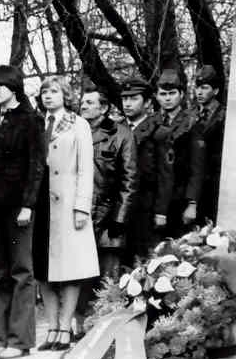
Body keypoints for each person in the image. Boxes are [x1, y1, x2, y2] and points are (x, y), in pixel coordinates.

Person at [0, 65, 45, 357]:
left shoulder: (32, 120)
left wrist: (28, 205)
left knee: (21, 271)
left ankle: (20, 342)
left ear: (13, 87)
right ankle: (2, 338)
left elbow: (36, 166)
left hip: (19, 207)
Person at [35, 76, 99, 352]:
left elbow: (86, 168)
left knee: (70, 269)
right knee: (43, 269)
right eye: (44, 92)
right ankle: (50, 327)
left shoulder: (78, 124)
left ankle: (65, 326)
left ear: (65, 95)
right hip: (40, 201)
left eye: (53, 91)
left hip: (68, 201)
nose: (48, 96)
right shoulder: (38, 124)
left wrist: (82, 206)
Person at [72, 82, 138, 338]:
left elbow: (129, 180)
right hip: (80, 214)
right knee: (80, 276)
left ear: (104, 107)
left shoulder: (121, 134)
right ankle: (82, 329)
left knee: (108, 278)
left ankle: (108, 331)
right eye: (83, 102)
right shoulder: (75, 131)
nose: (84, 106)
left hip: (109, 216)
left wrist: (120, 218)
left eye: (90, 103)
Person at [119, 76, 172, 260]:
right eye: (125, 98)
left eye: (134, 98)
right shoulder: (116, 130)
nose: (127, 103)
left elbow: (166, 175)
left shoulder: (159, 132)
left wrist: (161, 211)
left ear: (148, 102)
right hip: (120, 207)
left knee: (146, 261)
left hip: (146, 207)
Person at [152, 69, 206, 238]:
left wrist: (192, 203)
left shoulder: (192, 123)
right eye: (163, 94)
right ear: (156, 96)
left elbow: (197, 167)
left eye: (172, 93)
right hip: (155, 199)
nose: (167, 98)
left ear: (181, 94)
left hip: (180, 200)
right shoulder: (152, 122)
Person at [191, 65, 227, 225]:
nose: (199, 92)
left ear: (216, 91)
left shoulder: (224, 115)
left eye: (204, 88)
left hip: (215, 181)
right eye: (197, 87)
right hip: (194, 182)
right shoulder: (190, 115)